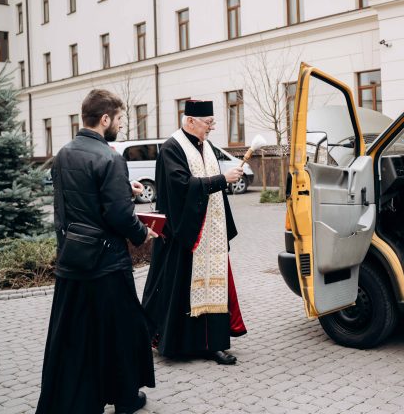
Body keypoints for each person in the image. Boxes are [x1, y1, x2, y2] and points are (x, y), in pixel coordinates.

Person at [37, 89, 157, 414]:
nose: (120, 125)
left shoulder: (64, 153)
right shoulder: (109, 157)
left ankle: (79, 401)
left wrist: (123, 189)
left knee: (77, 337)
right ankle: (126, 398)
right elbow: (117, 215)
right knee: (122, 333)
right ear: (105, 119)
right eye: (119, 119)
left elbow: (71, 205)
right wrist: (141, 233)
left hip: (74, 260)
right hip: (107, 265)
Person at [142, 100, 247, 365]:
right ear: (190, 121)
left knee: (214, 285)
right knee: (179, 289)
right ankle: (177, 344)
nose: (211, 127)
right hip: (183, 234)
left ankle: (214, 344)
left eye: (212, 122)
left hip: (210, 232)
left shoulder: (206, 146)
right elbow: (181, 186)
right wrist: (223, 180)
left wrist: (225, 177)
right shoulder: (171, 148)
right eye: (208, 123)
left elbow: (205, 181)